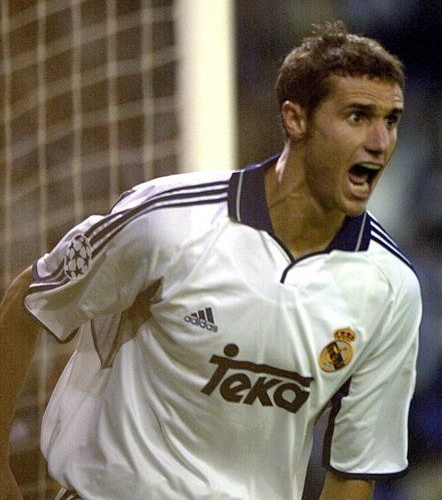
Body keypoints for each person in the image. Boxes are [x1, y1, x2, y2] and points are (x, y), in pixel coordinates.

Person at [0, 21, 422, 500]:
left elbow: (354, 472)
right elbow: (29, 301)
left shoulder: (391, 288)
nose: (380, 141)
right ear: (295, 119)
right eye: (358, 117)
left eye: (391, 120)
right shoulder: (169, 221)